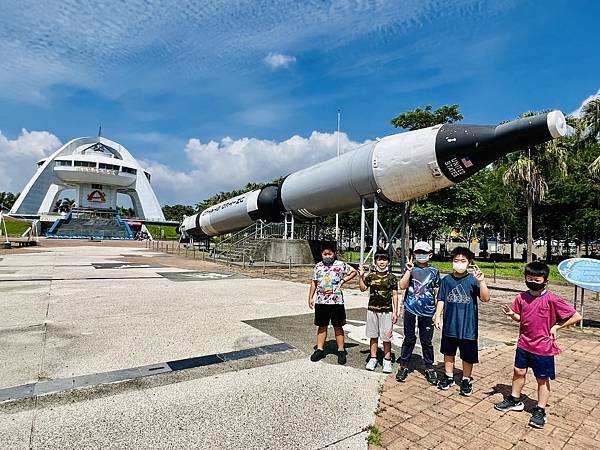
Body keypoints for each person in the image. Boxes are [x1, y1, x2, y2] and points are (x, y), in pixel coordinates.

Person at [494, 262, 582, 429]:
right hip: (523, 344)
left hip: (543, 348)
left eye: (536, 279)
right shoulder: (521, 297)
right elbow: (521, 318)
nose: (532, 281)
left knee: (542, 379)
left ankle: (540, 409)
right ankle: (514, 400)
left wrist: (557, 326)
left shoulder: (552, 299)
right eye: (529, 278)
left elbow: (576, 316)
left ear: (545, 281)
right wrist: (513, 314)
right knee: (518, 372)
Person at [433, 246, 490, 396]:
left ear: (469, 263)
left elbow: (485, 298)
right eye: (456, 260)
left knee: (467, 355)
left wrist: (482, 281)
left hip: (468, 327)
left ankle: (466, 379)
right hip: (450, 325)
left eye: (463, 260)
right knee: (448, 352)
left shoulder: (473, 280)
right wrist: (437, 315)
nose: (459, 263)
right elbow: (441, 299)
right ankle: (449, 376)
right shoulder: (446, 280)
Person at [396, 241, 441, 384]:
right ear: (414, 254)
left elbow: (437, 292)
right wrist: (408, 270)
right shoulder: (411, 269)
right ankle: (404, 365)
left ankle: (429, 367)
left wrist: (437, 313)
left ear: (430, 255)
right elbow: (402, 286)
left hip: (428, 311)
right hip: (410, 309)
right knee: (409, 338)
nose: (421, 255)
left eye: (424, 253)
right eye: (418, 253)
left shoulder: (434, 271)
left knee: (426, 340)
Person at [308, 245, 357, 365]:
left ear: (334, 254)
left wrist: (344, 280)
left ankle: (341, 350)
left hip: (336, 301)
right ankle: (320, 349)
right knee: (322, 326)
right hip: (321, 301)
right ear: (322, 255)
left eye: (330, 254)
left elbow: (353, 272)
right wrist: (310, 297)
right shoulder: (318, 266)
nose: (327, 256)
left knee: (338, 326)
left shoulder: (340, 265)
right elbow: (314, 282)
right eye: (325, 254)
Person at [358, 250, 398, 373]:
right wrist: (361, 276)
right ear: (375, 262)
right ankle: (373, 358)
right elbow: (363, 288)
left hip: (387, 311)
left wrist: (396, 311)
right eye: (379, 259)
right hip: (372, 311)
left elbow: (395, 295)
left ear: (389, 262)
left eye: (384, 259)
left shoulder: (392, 278)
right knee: (373, 336)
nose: (382, 262)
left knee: (386, 337)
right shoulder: (370, 276)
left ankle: (387, 360)